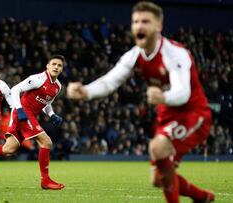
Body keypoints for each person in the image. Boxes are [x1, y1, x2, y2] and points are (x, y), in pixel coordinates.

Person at [66, 2, 214, 203]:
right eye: (135, 22)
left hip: (193, 113)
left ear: (159, 26)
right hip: (168, 115)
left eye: (145, 21)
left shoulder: (174, 53)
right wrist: (85, 91)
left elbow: (183, 93)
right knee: (158, 179)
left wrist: (163, 97)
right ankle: (202, 197)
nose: (139, 26)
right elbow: (110, 81)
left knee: (157, 147)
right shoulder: (134, 55)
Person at [0, 55, 65, 190]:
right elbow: (15, 89)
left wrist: (52, 114)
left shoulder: (58, 86)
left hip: (27, 115)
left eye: (59, 65)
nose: (56, 67)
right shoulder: (38, 79)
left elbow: (46, 103)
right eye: (53, 64)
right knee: (46, 142)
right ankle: (45, 180)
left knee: (8, 149)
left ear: (62, 69)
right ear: (47, 66)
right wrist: (19, 110)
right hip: (23, 113)